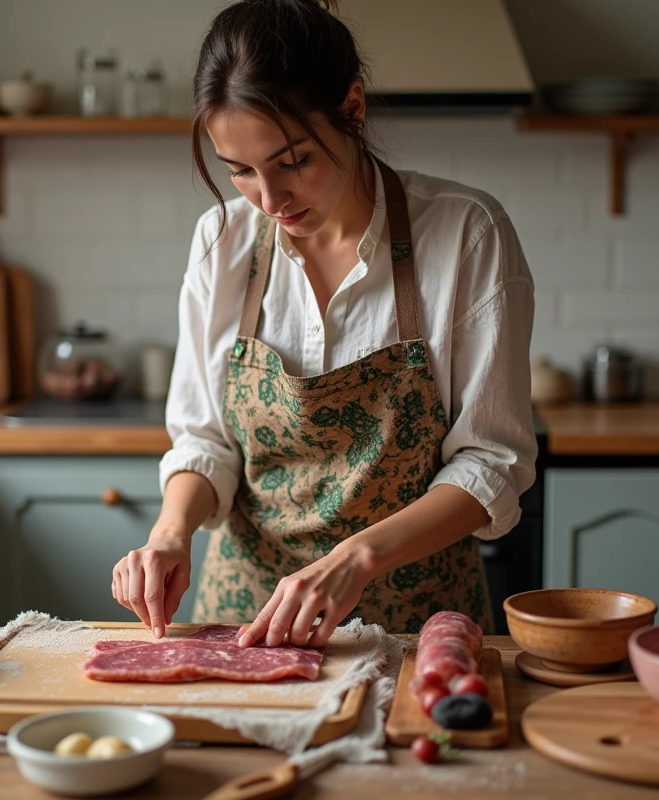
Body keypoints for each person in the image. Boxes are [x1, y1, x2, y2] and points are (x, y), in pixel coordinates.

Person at [111, 0, 537, 649]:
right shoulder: (222, 241)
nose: (269, 198)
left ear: (354, 107)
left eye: (293, 161)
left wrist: (356, 559)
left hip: (414, 629)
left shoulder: (464, 234)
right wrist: (169, 533)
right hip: (245, 623)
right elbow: (205, 441)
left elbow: (491, 465)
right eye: (240, 171)